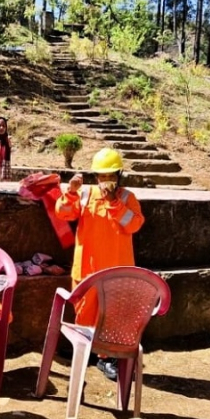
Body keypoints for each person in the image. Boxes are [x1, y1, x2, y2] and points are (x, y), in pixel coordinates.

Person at [54, 147, 144, 381]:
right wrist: (71, 193)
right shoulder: (85, 195)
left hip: (116, 271)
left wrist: (114, 202)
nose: (106, 181)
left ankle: (108, 357)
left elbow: (133, 225)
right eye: (102, 176)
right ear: (96, 177)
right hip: (86, 270)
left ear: (119, 175)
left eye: (110, 175)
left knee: (113, 315)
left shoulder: (127, 198)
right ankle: (85, 349)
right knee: (85, 313)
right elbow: (63, 213)